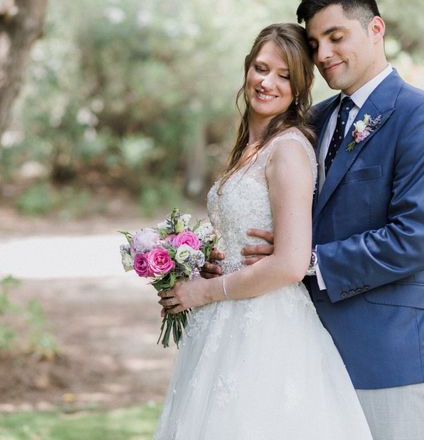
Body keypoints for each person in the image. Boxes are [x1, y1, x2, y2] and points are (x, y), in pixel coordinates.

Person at [205, 0, 424, 440]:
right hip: (303, 350)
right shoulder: (314, 121)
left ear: (376, 29)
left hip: (389, 353)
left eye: (336, 37)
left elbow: (413, 241)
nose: (323, 53)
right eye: (314, 42)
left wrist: (302, 260)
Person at [153, 23, 372, 439]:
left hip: (267, 326)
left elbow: (290, 264)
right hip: (225, 318)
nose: (267, 82)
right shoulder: (249, 147)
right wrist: (210, 262)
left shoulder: (288, 149)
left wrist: (203, 291)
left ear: (300, 87)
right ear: (247, 69)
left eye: (284, 75)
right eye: (261, 68)